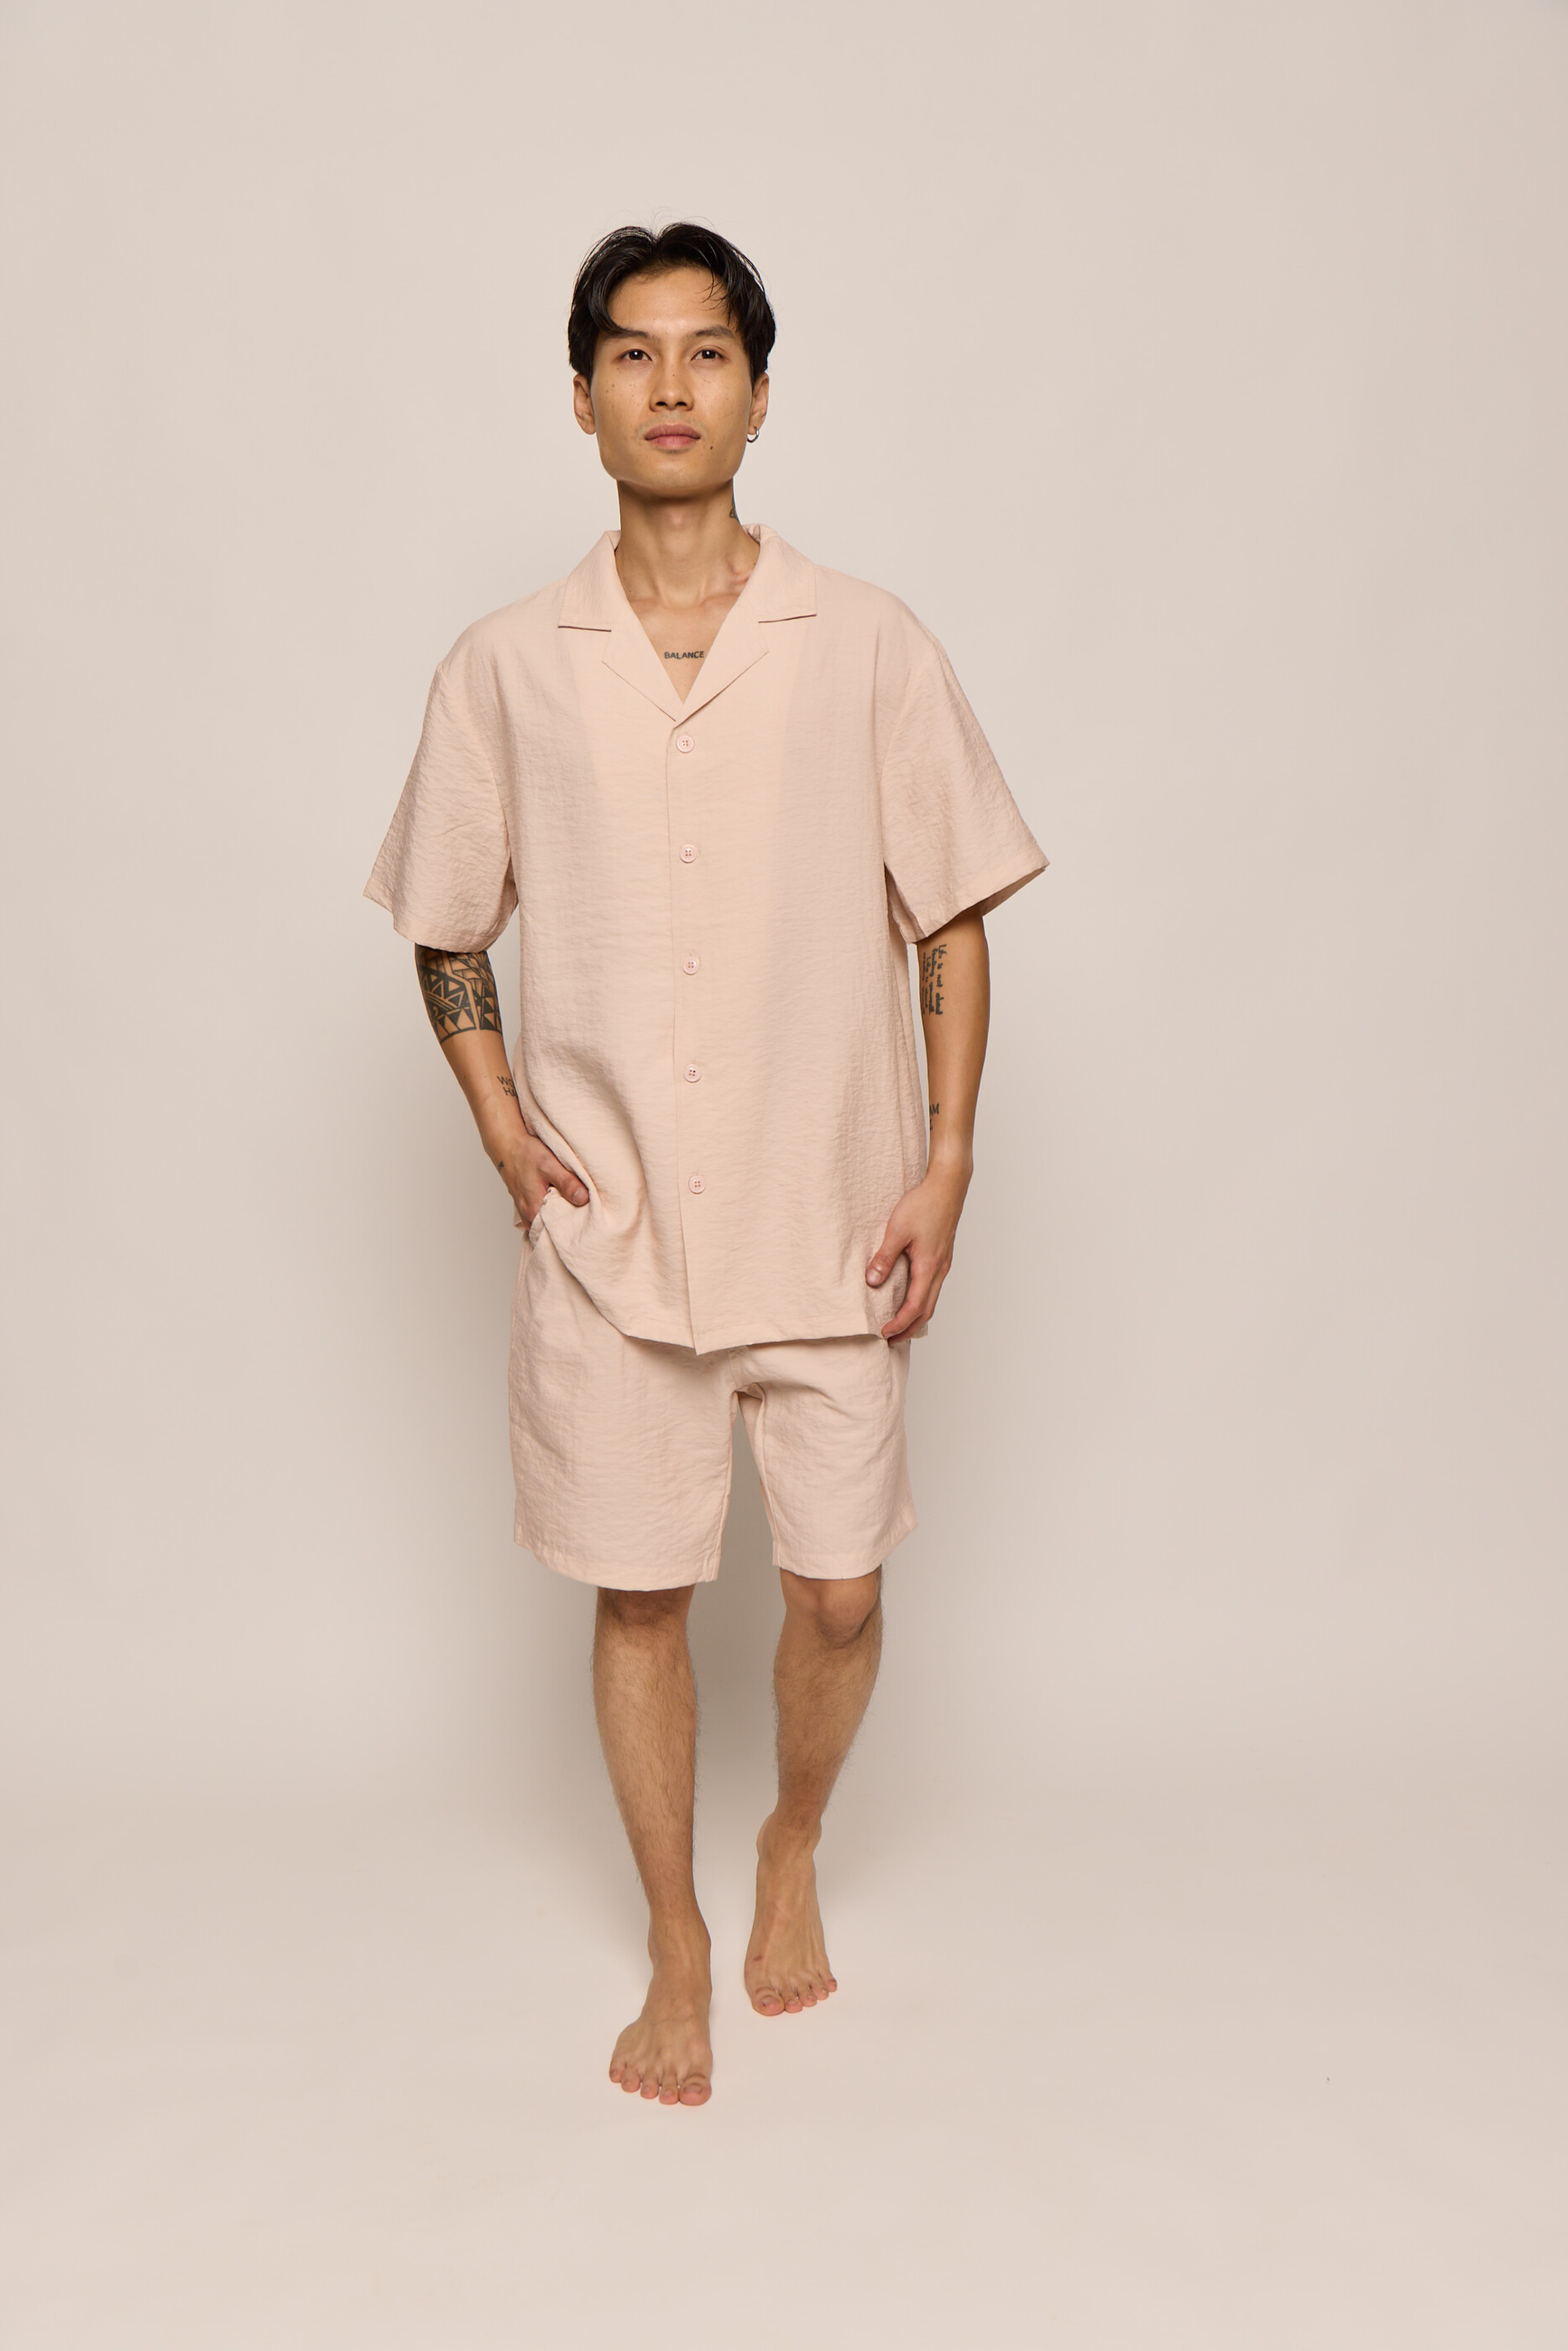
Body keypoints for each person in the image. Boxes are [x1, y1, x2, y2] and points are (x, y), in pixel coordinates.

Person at [365, 223, 1047, 2109]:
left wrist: (950, 1155)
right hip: (612, 1237)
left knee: (837, 1590)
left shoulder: (870, 642)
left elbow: (951, 908)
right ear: (582, 398)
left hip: (830, 1213)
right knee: (641, 1593)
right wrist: (499, 1119)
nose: (670, 386)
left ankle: (793, 1835)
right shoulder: (506, 666)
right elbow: (446, 919)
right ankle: (675, 1929)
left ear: (758, 392)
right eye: (632, 353)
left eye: (707, 353)